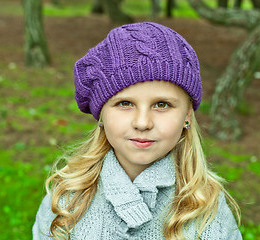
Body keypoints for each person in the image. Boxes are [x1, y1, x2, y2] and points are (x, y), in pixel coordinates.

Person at [32, 22, 242, 240]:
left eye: (162, 104)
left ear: (187, 114)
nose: (142, 123)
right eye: (125, 103)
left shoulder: (207, 208)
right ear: (101, 113)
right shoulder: (65, 202)